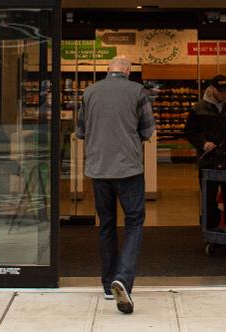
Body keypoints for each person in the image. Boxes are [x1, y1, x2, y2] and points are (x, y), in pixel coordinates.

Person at [75, 56, 154, 314]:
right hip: (128, 169)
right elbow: (147, 130)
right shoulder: (138, 92)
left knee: (106, 224)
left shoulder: (89, 92)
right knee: (134, 222)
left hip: (98, 169)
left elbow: (80, 130)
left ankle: (109, 284)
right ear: (128, 71)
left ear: (108, 70)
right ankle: (123, 278)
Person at [184, 74, 226, 232]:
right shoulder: (198, 108)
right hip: (208, 159)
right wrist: (203, 143)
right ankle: (211, 228)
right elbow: (189, 132)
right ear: (212, 89)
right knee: (209, 197)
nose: (224, 93)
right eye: (220, 90)